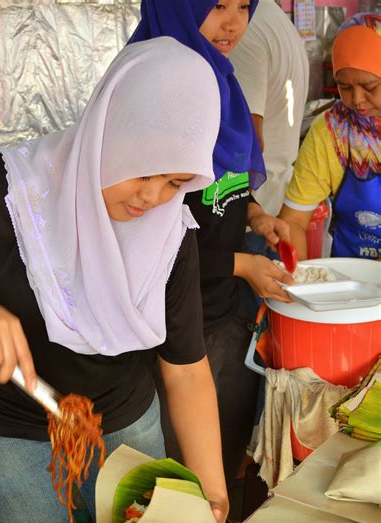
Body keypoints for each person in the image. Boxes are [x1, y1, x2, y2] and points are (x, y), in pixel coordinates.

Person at [0, 38, 228, 523]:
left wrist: (213, 499)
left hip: (124, 419)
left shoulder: (170, 233)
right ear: (108, 128)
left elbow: (186, 370)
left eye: (176, 182)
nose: (151, 197)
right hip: (3, 432)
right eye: (142, 169)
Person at [128, 0, 296, 493]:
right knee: (180, 479)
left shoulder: (219, 81)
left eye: (244, 5)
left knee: (224, 460)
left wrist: (256, 214)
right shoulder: (152, 94)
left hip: (220, 311)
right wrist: (242, 264)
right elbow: (147, 241)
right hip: (166, 327)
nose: (233, 22)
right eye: (216, 5)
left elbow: (222, 189)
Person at [280, 13, 381, 260]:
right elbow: (293, 220)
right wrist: (301, 283)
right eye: (344, 87)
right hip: (351, 283)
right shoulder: (331, 133)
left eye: (370, 87)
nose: (356, 100)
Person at [230, 0, 309, 218]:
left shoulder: (241, 28)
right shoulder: (272, 16)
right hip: (270, 197)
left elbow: (249, 140)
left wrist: (238, 211)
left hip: (251, 207)